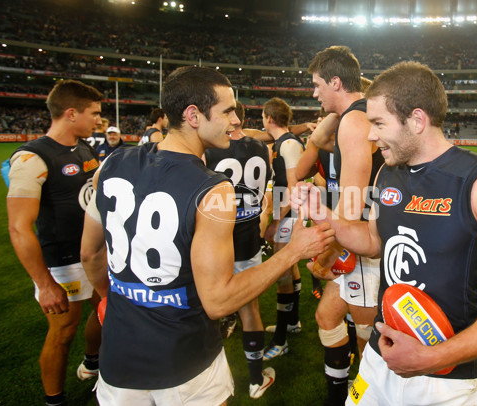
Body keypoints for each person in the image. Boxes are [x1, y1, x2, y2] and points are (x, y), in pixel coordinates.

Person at [292, 61, 477, 406]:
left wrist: (435, 357)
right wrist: (325, 216)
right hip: (378, 362)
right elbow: (373, 243)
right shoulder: (388, 173)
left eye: (379, 124)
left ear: (416, 120)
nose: (370, 135)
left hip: (449, 382)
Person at [80, 67, 334, 405]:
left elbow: (91, 255)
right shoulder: (213, 189)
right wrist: (291, 253)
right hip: (185, 363)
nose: (235, 119)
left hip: (118, 359)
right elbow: (218, 301)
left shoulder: (110, 166)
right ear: (193, 115)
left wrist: (114, 298)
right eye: (228, 110)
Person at [6, 79, 103, 406]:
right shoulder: (31, 157)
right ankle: (54, 401)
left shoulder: (85, 147)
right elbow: (19, 228)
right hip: (63, 261)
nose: (99, 120)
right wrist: (45, 284)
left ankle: (92, 363)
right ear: (71, 113)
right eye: (94, 113)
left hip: (95, 253)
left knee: (107, 312)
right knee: (63, 333)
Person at [306, 45, 384, 406]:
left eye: (318, 84)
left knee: (371, 345)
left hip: (364, 244)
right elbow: (317, 141)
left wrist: (327, 257)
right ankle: (340, 397)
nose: (314, 92)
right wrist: (339, 107)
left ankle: (360, 398)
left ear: (335, 81)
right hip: (357, 239)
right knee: (327, 316)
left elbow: (352, 206)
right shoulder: (353, 116)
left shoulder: (356, 120)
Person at [204, 100, 275, 398]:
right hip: (247, 236)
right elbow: (265, 197)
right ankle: (256, 379)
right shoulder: (260, 149)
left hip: (213, 238)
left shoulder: (207, 150)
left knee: (205, 307)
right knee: (250, 309)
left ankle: (206, 379)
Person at [260, 97, 306, 361]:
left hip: (288, 215)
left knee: (282, 274)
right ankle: (293, 322)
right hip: (288, 214)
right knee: (290, 268)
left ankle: (281, 340)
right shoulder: (283, 142)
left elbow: (292, 188)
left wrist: (276, 220)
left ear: (268, 117)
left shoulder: (288, 144)